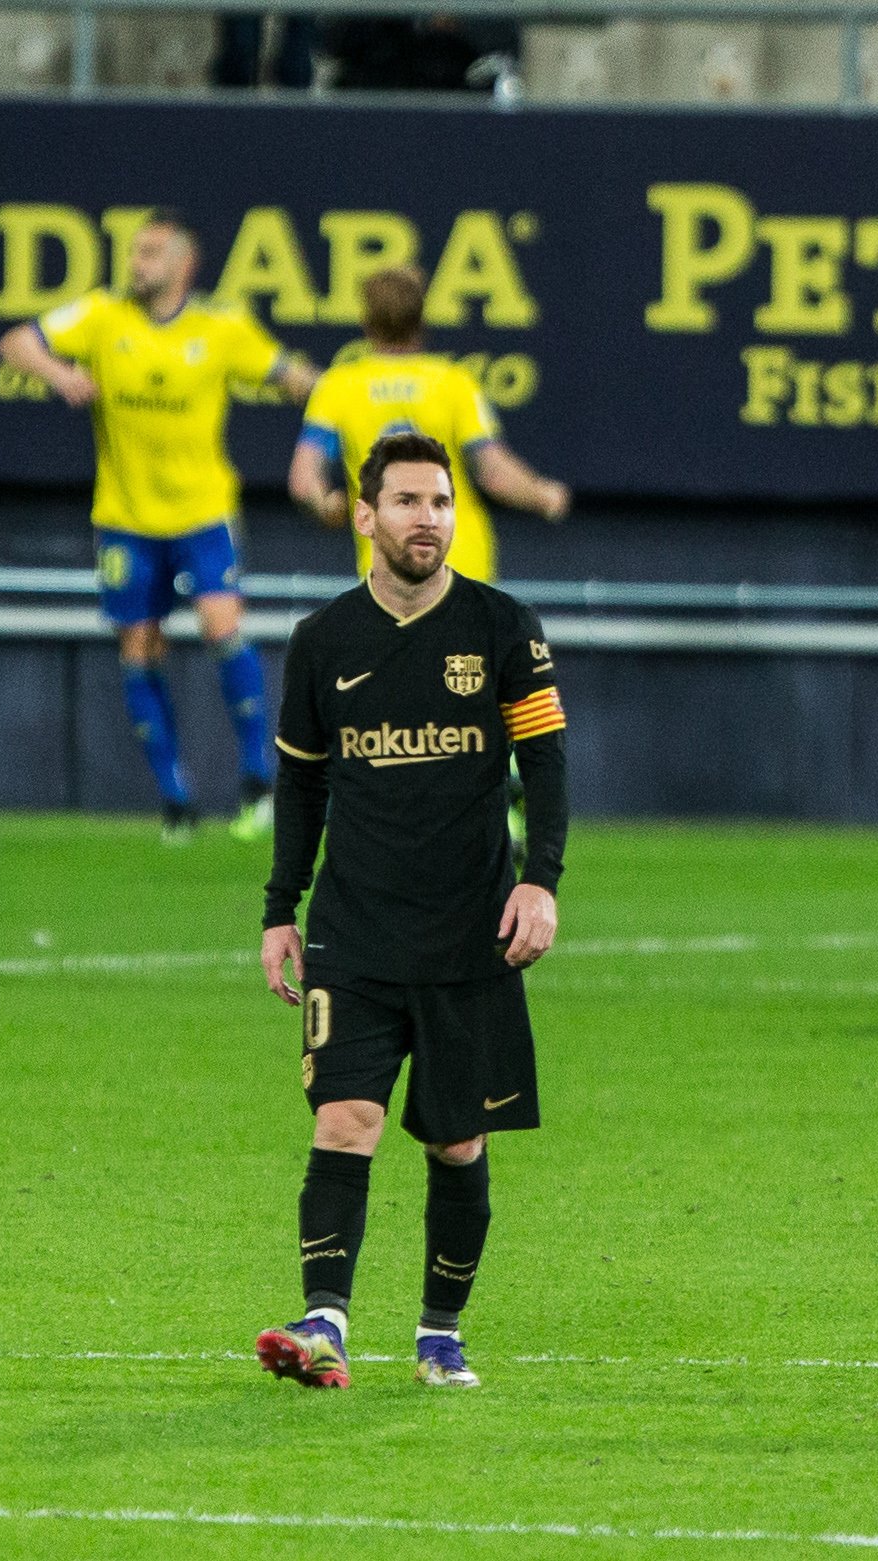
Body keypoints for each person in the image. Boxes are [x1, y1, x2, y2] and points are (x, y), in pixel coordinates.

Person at [254, 431, 569, 1391]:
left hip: (469, 933)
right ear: (365, 516)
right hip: (351, 932)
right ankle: (324, 1324)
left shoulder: (503, 626)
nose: (425, 518)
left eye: (439, 502)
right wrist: (280, 908)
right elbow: (300, 787)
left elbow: (546, 765)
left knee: (454, 1138)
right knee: (345, 1118)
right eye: (405, 501)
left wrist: (540, 880)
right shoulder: (322, 642)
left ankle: (439, 1331)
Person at [0, 212, 316, 842]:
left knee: (221, 624)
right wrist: (60, 373)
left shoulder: (219, 327)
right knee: (139, 646)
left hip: (202, 512)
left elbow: (289, 375)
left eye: (151, 253)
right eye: (135, 252)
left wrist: (332, 397)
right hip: (125, 517)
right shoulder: (101, 315)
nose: (137, 262)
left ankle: (258, 779)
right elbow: (16, 341)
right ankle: (176, 800)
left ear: (183, 264)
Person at [288, 264, 568, 586]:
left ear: (367, 322)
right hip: (462, 566)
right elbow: (495, 475)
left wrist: (324, 506)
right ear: (422, 320)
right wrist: (542, 494)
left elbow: (303, 480)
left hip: (389, 576)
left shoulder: (338, 387)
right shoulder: (454, 382)